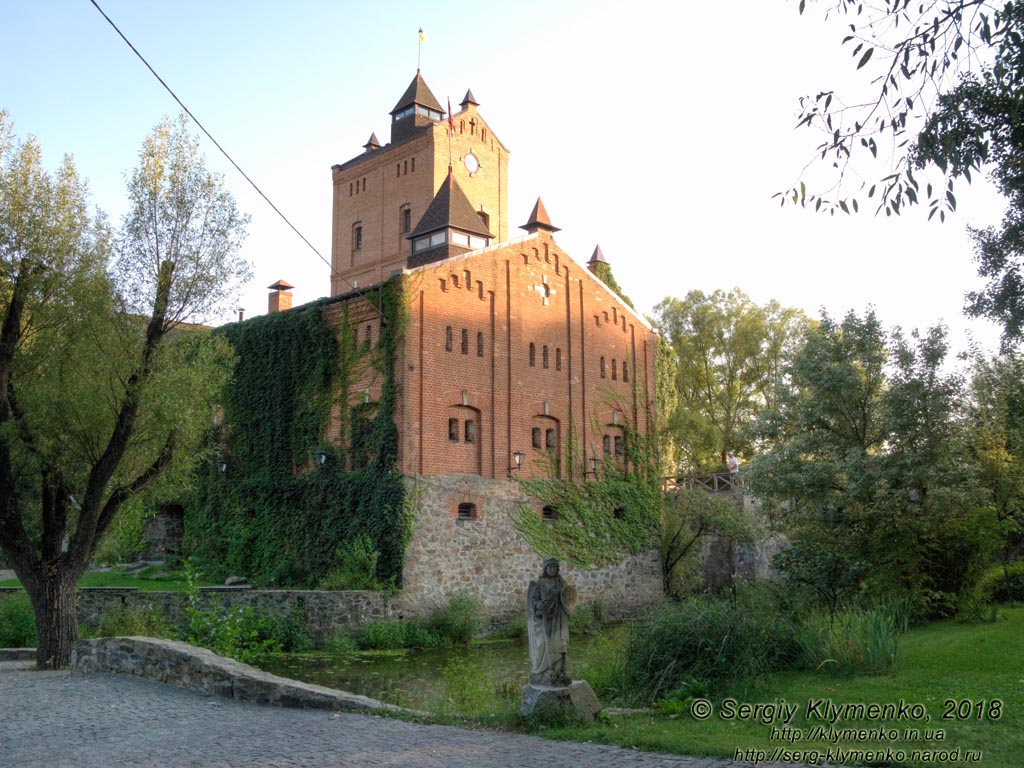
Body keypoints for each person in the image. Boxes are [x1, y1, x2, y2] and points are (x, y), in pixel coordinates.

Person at [527, 558, 576, 686]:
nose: (552, 570)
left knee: (560, 644)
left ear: (557, 569)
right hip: (547, 618)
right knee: (547, 643)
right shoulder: (540, 583)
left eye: (554, 567)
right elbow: (533, 601)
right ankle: (549, 672)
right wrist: (539, 605)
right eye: (549, 567)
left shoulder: (561, 582)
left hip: (559, 618)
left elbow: (568, 596)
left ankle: (561, 672)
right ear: (545, 569)